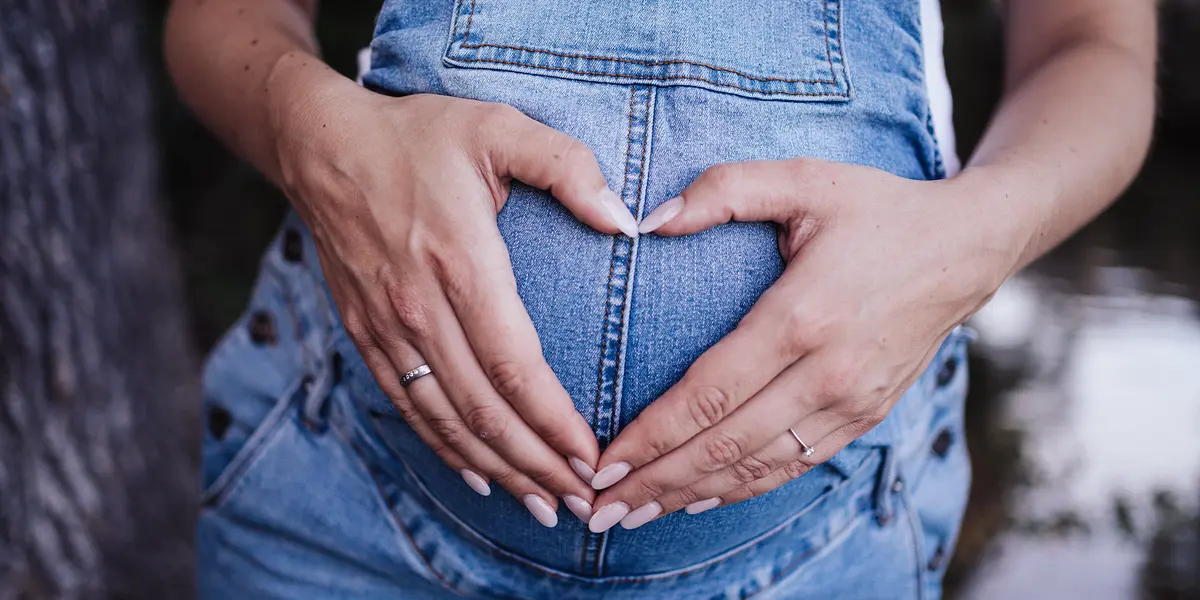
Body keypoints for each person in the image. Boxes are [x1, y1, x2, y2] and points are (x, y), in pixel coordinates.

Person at [165, 0, 1154, 597]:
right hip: (346, 505)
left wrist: (971, 241)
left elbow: (1094, 47)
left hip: (825, 547)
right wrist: (312, 130)